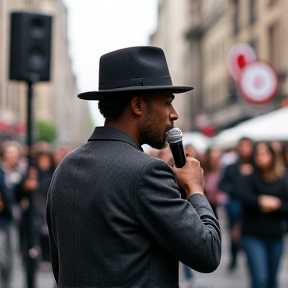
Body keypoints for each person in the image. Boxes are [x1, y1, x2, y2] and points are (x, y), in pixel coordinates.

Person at [46, 46, 221, 287]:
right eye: (168, 103)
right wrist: (196, 189)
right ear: (137, 105)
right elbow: (208, 252)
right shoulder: (148, 172)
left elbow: (61, 265)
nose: (174, 114)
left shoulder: (65, 167)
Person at [237, 142, 288, 288]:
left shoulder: (281, 179)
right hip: (252, 235)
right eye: (258, 153)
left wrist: (276, 204)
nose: (261, 157)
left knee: (273, 281)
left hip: (275, 236)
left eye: (265, 153)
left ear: (272, 156)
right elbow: (243, 198)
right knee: (260, 279)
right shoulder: (248, 176)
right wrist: (260, 201)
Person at [218, 137, 254, 271]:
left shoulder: (256, 167)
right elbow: (223, 184)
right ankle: (234, 256)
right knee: (234, 232)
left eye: (248, 146)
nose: (245, 149)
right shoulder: (232, 167)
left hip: (251, 207)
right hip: (235, 204)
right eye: (243, 146)